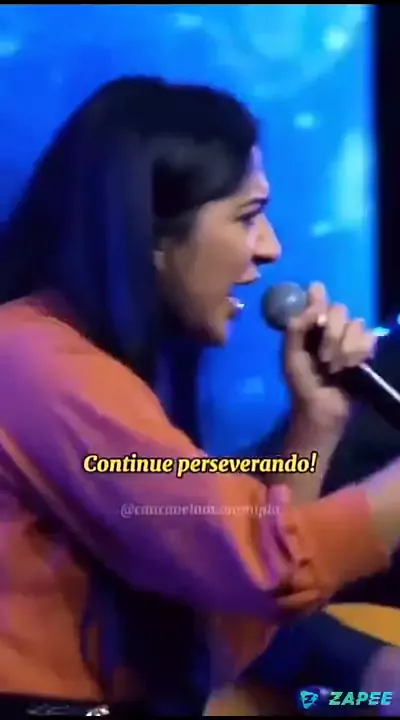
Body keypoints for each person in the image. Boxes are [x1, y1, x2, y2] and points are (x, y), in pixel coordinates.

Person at [0, 75, 400, 716]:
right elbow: (259, 562)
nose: (271, 248)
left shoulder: (90, 367)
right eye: (247, 216)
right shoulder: (31, 361)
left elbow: (233, 610)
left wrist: (315, 427)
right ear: (152, 235)